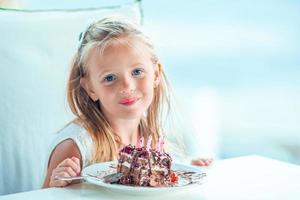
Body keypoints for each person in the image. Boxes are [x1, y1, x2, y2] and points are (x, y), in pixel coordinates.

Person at [43, 17, 212, 188]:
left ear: (155, 74)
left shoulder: (152, 139)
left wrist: (188, 172)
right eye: (109, 78)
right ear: (90, 88)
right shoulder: (75, 147)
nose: (127, 86)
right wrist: (55, 187)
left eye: (137, 71)